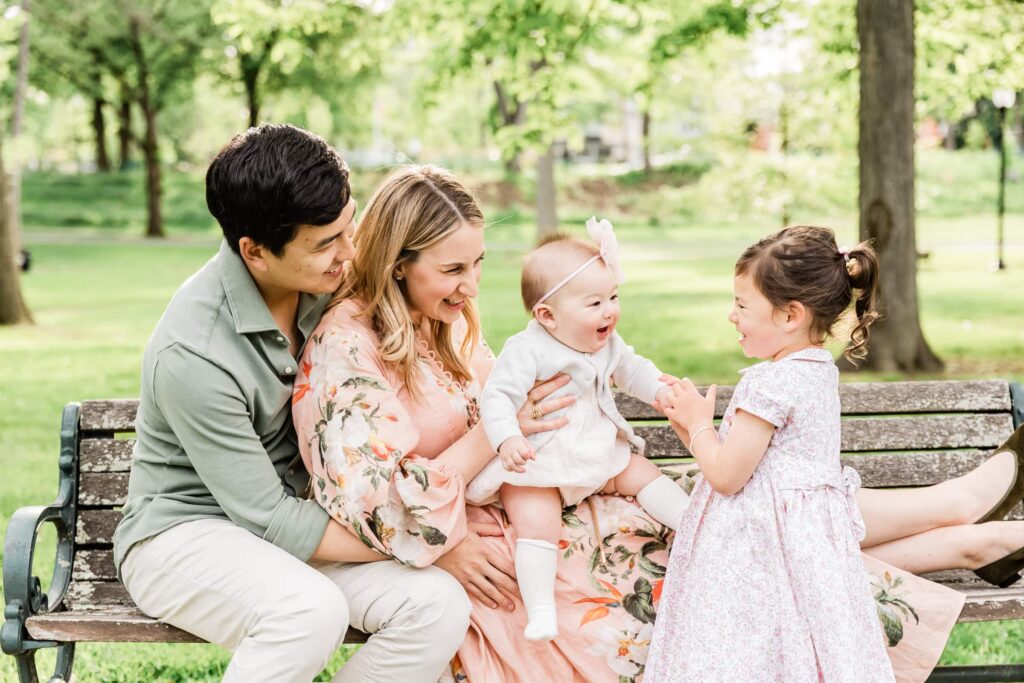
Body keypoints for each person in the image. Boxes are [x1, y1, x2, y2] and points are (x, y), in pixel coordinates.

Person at [293, 163, 1024, 683]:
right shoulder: (348, 348)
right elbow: (374, 501)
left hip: (572, 507)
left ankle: (966, 515)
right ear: (397, 263)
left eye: (477, 263)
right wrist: (497, 440)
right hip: (515, 546)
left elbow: (531, 401)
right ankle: (969, 529)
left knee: (735, 533)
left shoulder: (440, 322)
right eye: (454, 269)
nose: (472, 286)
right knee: (742, 568)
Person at [112, 124, 472, 683]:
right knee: (307, 612)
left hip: (310, 524)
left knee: (437, 607)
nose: (350, 255)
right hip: (184, 534)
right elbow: (270, 519)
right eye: (326, 243)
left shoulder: (329, 287)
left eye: (348, 230)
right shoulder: (193, 354)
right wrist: (424, 543)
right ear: (254, 251)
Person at [645, 226, 894, 680]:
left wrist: (700, 424)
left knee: (748, 653)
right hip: (807, 552)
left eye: (742, 305)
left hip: (759, 553)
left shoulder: (769, 383)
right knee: (808, 648)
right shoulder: (818, 370)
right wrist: (691, 430)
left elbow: (726, 477)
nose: (731, 316)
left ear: (789, 316)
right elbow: (737, 462)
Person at [467, 220, 689, 641]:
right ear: (547, 316)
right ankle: (541, 609)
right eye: (594, 303)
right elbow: (496, 398)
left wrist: (660, 389)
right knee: (536, 519)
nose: (610, 311)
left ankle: (694, 523)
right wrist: (508, 438)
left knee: (640, 471)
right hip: (541, 461)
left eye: (613, 297)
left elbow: (632, 369)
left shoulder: (606, 343)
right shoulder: (527, 349)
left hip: (594, 452)